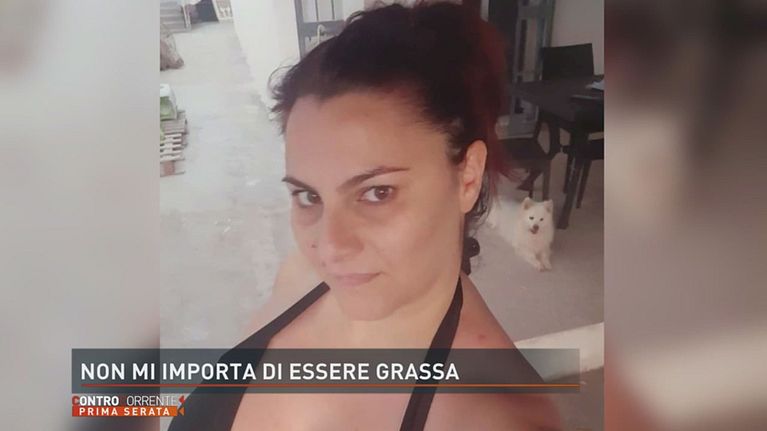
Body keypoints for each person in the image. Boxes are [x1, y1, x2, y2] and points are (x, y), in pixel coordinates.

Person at [169, 2, 560, 430]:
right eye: (308, 196)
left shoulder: (498, 419)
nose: (330, 247)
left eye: (377, 193)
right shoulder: (299, 277)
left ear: (468, 177)